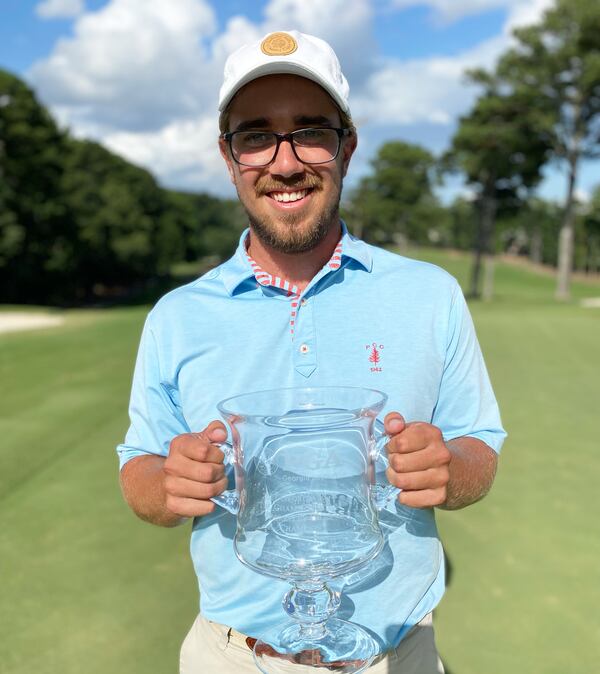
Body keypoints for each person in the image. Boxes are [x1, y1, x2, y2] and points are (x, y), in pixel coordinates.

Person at [117, 30, 506, 674]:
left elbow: (478, 451)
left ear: (347, 147)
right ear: (229, 155)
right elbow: (140, 469)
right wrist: (167, 482)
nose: (286, 161)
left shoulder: (429, 294)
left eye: (311, 131)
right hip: (233, 657)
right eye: (255, 136)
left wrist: (449, 467)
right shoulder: (176, 317)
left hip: (399, 655)